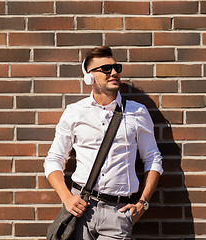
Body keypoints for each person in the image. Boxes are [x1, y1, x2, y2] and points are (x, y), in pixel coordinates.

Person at [44, 45, 163, 240]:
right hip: (80, 209)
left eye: (116, 68)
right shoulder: (75, 112)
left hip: (118, 212)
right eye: (106, 69)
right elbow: (53, 160)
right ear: (89, 77)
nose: (114, 73)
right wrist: (67, 198)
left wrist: (143, 204)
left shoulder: (137, 112)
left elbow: (153, 159)